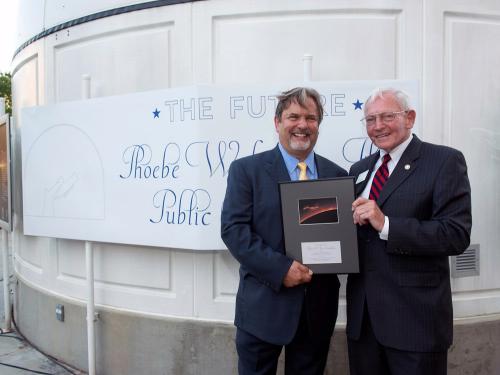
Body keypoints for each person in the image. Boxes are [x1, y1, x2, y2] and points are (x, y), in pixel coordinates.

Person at [221, 87, 347, 374]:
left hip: (317, 311)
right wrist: (281, 269)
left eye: (311, 118)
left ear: (318, 125)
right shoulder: (246, 171)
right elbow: (233, 230)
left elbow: (339, 238)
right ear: (278, 122)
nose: (302, 125)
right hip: (263, 307)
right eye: (294, 116)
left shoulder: (337, 175)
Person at [347, 88, 472, 375]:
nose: (378, 126)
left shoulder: (443, 161)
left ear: (410, 118)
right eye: (370, 119)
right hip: (364, 323)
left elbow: (455, 233)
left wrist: (387, 224)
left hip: (415, 323)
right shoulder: (359, 169)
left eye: (387, 116)